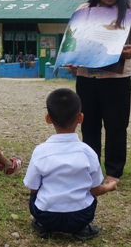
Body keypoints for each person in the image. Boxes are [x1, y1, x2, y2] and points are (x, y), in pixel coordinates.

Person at [73, 0, 131, 184]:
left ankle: (114, 173)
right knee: (89, 125)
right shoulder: (84, 10)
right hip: (87, 78)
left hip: (117, 79)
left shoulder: (129, 9)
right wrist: (71, 58)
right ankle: (92, 169)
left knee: (116, 126)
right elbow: (73, 39)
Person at [24, 88, 118, 241]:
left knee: (35, 193)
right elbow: (95, 190)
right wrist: (109, 186)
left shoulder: (40, 151)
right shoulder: (88, 152)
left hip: (46, 215)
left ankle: (42, 225)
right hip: (80, 216)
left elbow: (33, 187)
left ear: (48, 118)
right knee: (89, 193)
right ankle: (81, 229)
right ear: (80, 118)